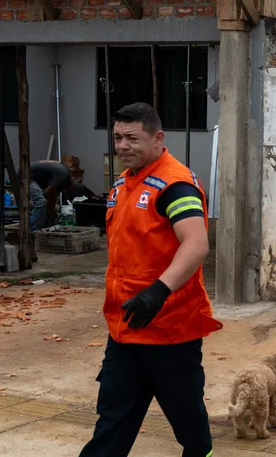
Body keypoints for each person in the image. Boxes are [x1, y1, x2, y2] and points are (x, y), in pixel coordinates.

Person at [80, 102, 223, 457]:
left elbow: (196, 243)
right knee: (112, 422)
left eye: (132, 138)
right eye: (117, 138)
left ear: (158, 138)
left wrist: (157, 292)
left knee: (188, 420)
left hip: (170, 330)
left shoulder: (174, 185)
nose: (122, 146)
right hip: (126, 327)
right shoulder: (124, 184)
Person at [29, 159, 75, 232]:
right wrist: (51, 210)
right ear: (70, 181)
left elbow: (53, 196)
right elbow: (47, 193)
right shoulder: (64, 175)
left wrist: (53, 214)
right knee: (41, 202)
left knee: (47, 205)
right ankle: (33, 233)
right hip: (27, 176)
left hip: (37, 179)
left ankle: (45, 229)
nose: (65, 190)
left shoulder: (62, 177)